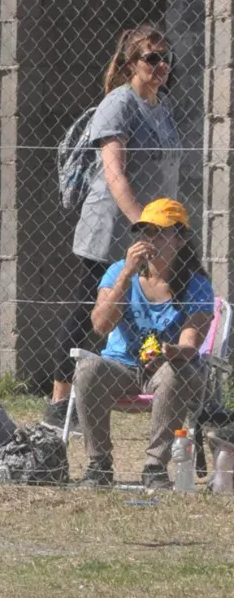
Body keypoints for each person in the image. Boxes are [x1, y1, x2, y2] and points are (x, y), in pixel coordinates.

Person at [45, 25, 181, 429]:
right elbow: (116, 174)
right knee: (89, 314)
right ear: (129, 65)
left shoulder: (163, 106)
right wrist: (144, 225)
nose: (161, 65)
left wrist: (165, 229)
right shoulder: (119, 104)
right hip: (112, 230)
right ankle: (58, 407)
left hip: (155, 232)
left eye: (165, 57)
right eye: (151, 58)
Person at [73, 198, 211, 489]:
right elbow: (100, 326)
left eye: (159, 232)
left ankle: (154, 467)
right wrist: (126, 275)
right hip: (122, 367)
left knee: (177, 373)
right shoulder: (118, 272)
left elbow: (190, 343)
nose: (150, 239)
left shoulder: (196, 284)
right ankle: (99, 465)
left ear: (181, 237)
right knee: (87, 369)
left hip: (166, 370)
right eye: (145, 232)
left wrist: (172, 352)